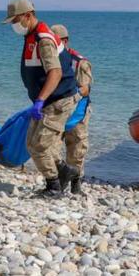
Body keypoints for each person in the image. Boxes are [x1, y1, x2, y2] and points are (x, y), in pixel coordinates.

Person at [2, 0, 80, 198]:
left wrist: (40, 99)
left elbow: (55, 72)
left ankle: (53, 186)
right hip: (47, 100)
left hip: (58, 100)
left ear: (28, 15)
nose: (13, 25)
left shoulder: (43, 39)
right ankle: (64, 171)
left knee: (39, 146)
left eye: (15, 20)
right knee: (32, 143)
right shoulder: (31, 35)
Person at [51, 24, 93, 195]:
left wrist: (72, 97)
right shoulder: (48, 60)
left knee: (77, 147)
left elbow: (85, 89)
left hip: (77, 110)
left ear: (65, 41)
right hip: (55, 110)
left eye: (56, 41)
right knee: (50, 146)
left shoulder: (80, 63)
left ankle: (76, 183)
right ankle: (58, 179)